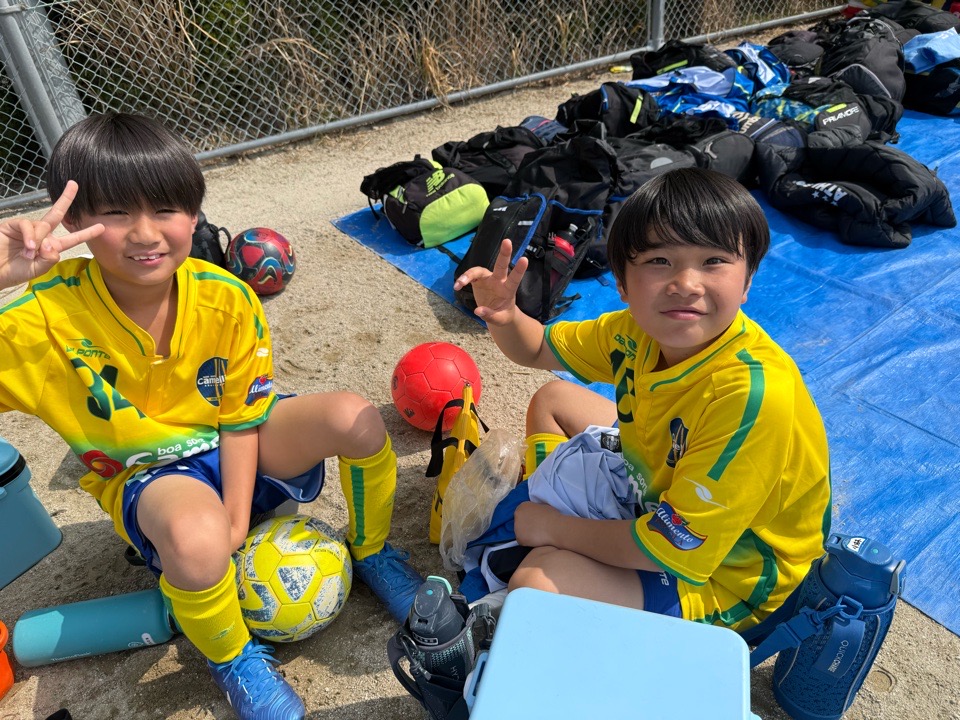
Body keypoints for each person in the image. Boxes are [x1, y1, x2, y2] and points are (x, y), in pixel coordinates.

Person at [0, 112, 423, 720]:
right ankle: (234, 658)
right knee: (197, 541)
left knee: (353, 418)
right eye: (115, 212)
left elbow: (240, 417)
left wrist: (236, 516)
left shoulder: (228, 296)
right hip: (148, 471)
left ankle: (372, 552)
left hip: (234, 437)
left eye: (165, 209)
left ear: (195, 215)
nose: (145, 233)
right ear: (72, 222)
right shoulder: (40, 317)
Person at [453, 167, 831, 632]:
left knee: (535, 583)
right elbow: (537, 349)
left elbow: (673, 547)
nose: (686, 283)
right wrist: (506, 315)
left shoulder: (752, 395)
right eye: (659, 260)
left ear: (748, 279)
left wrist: (554, 528)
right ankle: (555, 519)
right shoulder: (633, 332)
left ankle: (552, 532)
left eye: (713, 260)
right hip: (661, 489)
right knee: (553, 399)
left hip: (731, 574)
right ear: (622, 283)